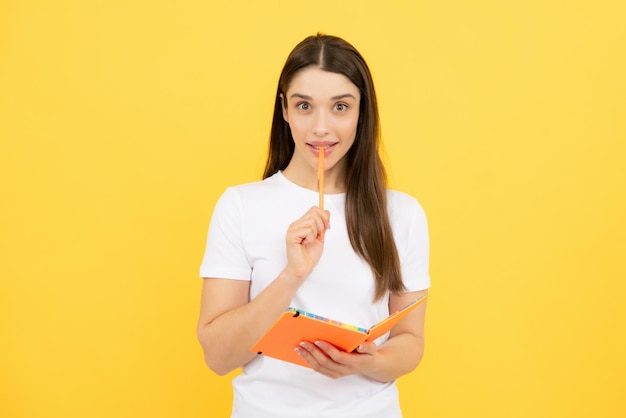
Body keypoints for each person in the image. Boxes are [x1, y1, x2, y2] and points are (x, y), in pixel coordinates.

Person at [197, 33, 430, 418]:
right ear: (284, 109)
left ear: (362, 112)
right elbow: (218, 357)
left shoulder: (402, 214)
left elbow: (411, 342)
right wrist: (292, 275)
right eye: (304, 105)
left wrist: (365, 362)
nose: (321, 128)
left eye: (340, 106)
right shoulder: (239, 206)